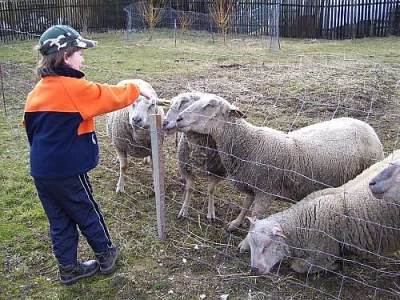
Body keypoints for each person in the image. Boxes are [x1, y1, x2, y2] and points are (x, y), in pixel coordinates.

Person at [22, 25, 153, 286]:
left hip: (41, 171)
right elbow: (109, 95)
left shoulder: (37, 92)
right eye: (80, 53)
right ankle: (106, 254)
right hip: (67, 170)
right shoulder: (72, 88)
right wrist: (136, 88)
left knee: (60, 220)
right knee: (87, 211)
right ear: (66, 56)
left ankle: (68, 269)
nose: (83, 58)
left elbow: (30, 127)